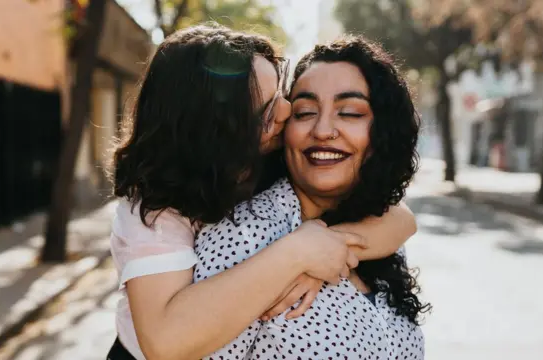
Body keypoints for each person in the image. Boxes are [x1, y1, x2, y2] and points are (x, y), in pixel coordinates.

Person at [106, 24, 417, 360]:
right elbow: (165, 341)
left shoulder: (277, 164)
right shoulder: (158, 212)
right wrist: (296, 254)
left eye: (282, 96)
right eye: (267, 112)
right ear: (220, 140)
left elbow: (402, 220)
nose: (287, 113)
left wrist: (331, 244)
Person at [194, 35, 430, 359]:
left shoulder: (382, 232)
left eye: (348, 112)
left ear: (383, 133)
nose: (322, 130)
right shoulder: (245, 237)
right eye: (304, 112)